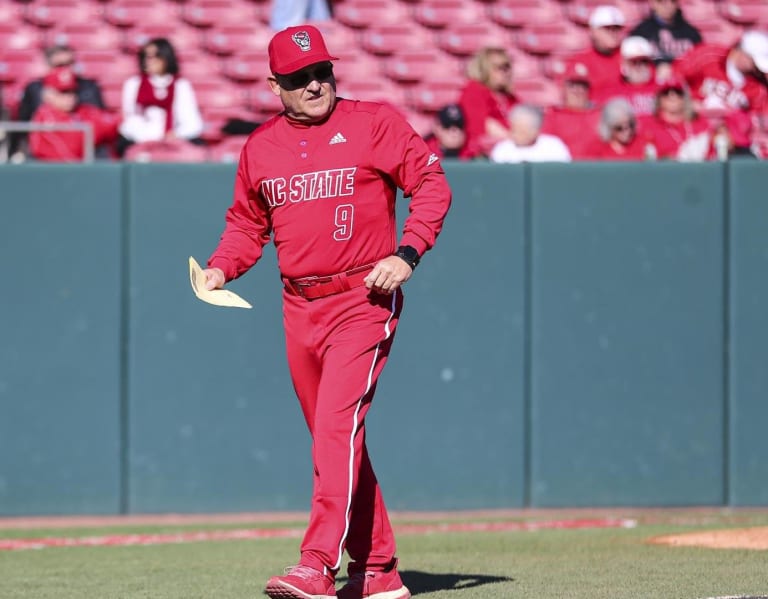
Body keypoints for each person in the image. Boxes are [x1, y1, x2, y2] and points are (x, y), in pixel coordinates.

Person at [201, 25, 451, 599]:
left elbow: (432, 184)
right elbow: (246, 226)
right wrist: (220, 267)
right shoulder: (260, 146)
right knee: (334, 441)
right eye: (299, 77)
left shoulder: (374, 122)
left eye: (322, 72)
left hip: (362, 299)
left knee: (335, 431)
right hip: (298, 306)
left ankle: (317, 563)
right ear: (274, 85)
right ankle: (381, 571)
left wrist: (407, 252)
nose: (314, 85)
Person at [11, 44, 105, 159]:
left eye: (70, 63)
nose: (65, 69)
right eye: (60, 65)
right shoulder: (35, 89)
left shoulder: (88, 87)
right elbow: (23, 125)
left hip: (82, 152)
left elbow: (99, 122)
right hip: (45, 153)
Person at [118, 37, 204, 157]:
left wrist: (175, 135)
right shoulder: (133, 84)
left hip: (174, 143)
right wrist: (151, 139)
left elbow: (192, 122)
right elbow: (130, 118)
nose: (148, 61)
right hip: (141, 141)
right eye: (146, 56)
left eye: (155, 56)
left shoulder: (181, 85)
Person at [28, 66, 118, 162]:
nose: (69, 97)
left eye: (72, 91)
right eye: (63, 92)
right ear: (49, 95)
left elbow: (112, 125)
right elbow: (71, 150)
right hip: (58, 172)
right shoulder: (44, 116)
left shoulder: (84, 110)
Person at [457, 46, 518, 159]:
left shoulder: (511, 98)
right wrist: (515, 138)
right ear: (484, 69)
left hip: (509, 153)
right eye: (499, 68)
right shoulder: (474, 91)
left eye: (507, 67)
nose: (505, 72)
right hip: (481, 157)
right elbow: (482, 130)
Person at [639, 77, 712, 160]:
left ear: (685, 98)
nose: (672, 96)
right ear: (659, 98)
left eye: (678, 93)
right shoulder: (648, 125)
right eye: (666, 93)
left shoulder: (699, 122)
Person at [541, 61, 601, 159]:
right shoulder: (552, 116)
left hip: (595, 169)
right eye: (572, 85)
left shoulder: (599, 115)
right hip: (563, 169)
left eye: (583, 86)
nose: (578, 91)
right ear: (563, 88)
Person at [563, 5, 627, 91]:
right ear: (593, 31)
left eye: (616, 28)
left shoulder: (630, 57)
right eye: (607, 28)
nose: (613, 33)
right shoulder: (581, 62)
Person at [594, 36, 660, 116]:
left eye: (643, 61)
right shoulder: (610, 93)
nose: (638, 66)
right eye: (633, 62)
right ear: (624, 64)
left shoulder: (662, 90)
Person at [629, 0, 702, 68]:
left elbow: (698, 62)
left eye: (672, 1)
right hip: (652, 78)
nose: (668, 5)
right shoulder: (640, 32)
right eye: (662, 2)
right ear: (653, 3)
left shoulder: (690, 32)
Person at [490, 104, 571, 163]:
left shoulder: (554, 147)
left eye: (521, 131)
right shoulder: (502, 149)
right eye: (514, 130)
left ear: (535, 131)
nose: (515, 135)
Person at [584, 97, 649, 159]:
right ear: (609, 128)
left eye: (630, 125)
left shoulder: (643, 144)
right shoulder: (596, 149)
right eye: (619, 128)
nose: (627, 131)